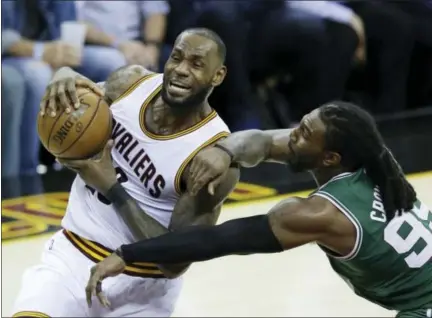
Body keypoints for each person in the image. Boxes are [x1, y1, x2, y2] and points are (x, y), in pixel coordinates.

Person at [87, 101, 432, 317]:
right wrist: (225, 151)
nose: (292, 134)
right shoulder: (372, 162)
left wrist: (128, 253)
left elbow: (219, 240)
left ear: (330, 158)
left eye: (304, 133)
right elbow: (264, 142)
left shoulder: (319, 215)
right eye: (301, 122)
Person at [12, 28, 240, 317]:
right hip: (71, 257)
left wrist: (112, 187)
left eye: (196, 64)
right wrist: (64, 76)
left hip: (143, 287)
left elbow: (175, 261)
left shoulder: (212, 156)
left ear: (217, 76)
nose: (181, 70)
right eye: (176, 58)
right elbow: (76, 106)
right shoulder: (130, 83)